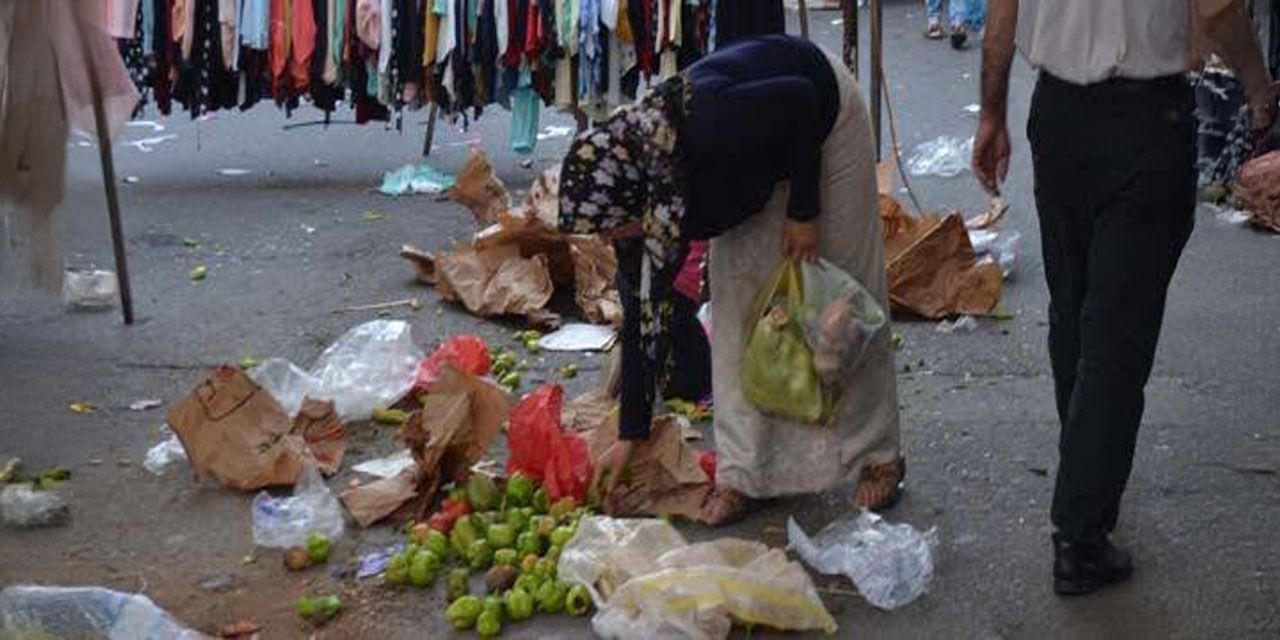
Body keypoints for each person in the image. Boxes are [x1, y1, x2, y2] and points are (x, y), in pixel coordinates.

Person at [974, 0, 1278, 595]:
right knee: (1117, 334)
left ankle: (1085, 468)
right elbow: (1217, 11)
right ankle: (1080, 534)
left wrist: (990, 112)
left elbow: (1000, 21)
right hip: (1145, 122)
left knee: (1075, 309)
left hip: (1058, 114)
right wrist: (1259, 84)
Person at [559, 34, 903, 525]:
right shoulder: (646, 199)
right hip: (752, 167)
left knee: (842, 305)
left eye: (610, 222)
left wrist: (804, 210)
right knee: (740, 310)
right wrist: (629, 436)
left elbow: (800, 99)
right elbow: (642, 319)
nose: (612, 234)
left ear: (627, 190)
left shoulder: (708, 124)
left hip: (821, 120)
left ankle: (878, 456)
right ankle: (748, 474)